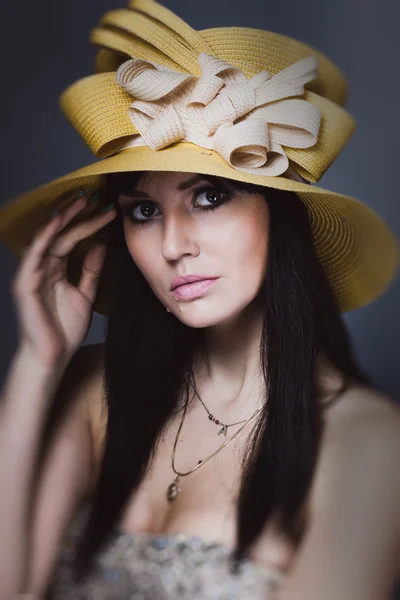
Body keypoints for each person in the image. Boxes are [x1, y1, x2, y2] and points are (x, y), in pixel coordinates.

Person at [0, 1, 399, 599]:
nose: (172, 245)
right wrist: (38, 363)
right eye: (144, 210)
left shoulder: (366, 441)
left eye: (210, 197)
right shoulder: (95, 388)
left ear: (281, 217)